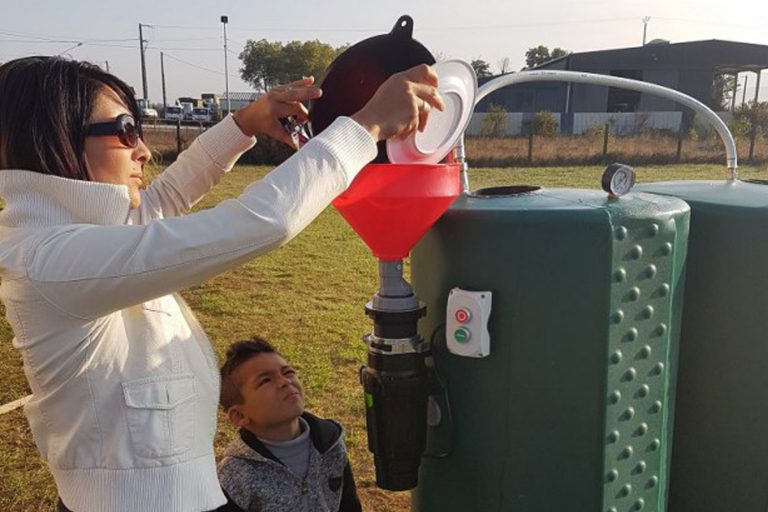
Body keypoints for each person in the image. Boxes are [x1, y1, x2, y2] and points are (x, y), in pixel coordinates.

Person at [0, 56, 444, 512]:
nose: (144, 150)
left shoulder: (80, 238)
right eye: (126, 129)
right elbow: (259, 223)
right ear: (53, 138)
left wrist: (245, 123)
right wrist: (364, 126)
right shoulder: (48, 260)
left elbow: (163, 199)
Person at [216, 338, 361, 512]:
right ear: (239, 416)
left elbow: (350, 506)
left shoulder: (331, 443)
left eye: (288, 372)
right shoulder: (234, 475)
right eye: (265, 381)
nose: (285, 381)